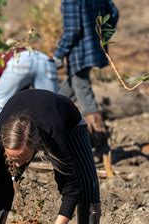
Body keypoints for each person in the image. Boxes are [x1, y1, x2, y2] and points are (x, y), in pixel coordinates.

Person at [0, 89, 101, 224]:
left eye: (22, 157)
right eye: (12, 157)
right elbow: (3, 192)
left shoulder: (54, 136)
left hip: (68, 123)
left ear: (36, 145)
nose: (18, 164)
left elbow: (70, 189)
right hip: (22, 120)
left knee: (87, 186)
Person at [53, 0, 119, 158]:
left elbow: (72, 30)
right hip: (92, 50)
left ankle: (102, 145)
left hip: (79, 54)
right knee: (60, 97)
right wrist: (101, 38)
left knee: (84, 93)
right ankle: (47, 136)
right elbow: (114, 13)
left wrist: (58, 54)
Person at [0, 48, 58, 131]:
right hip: (45, 60)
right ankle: (52, 140)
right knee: (50, 106)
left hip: (22, 60)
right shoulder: (14, 51)